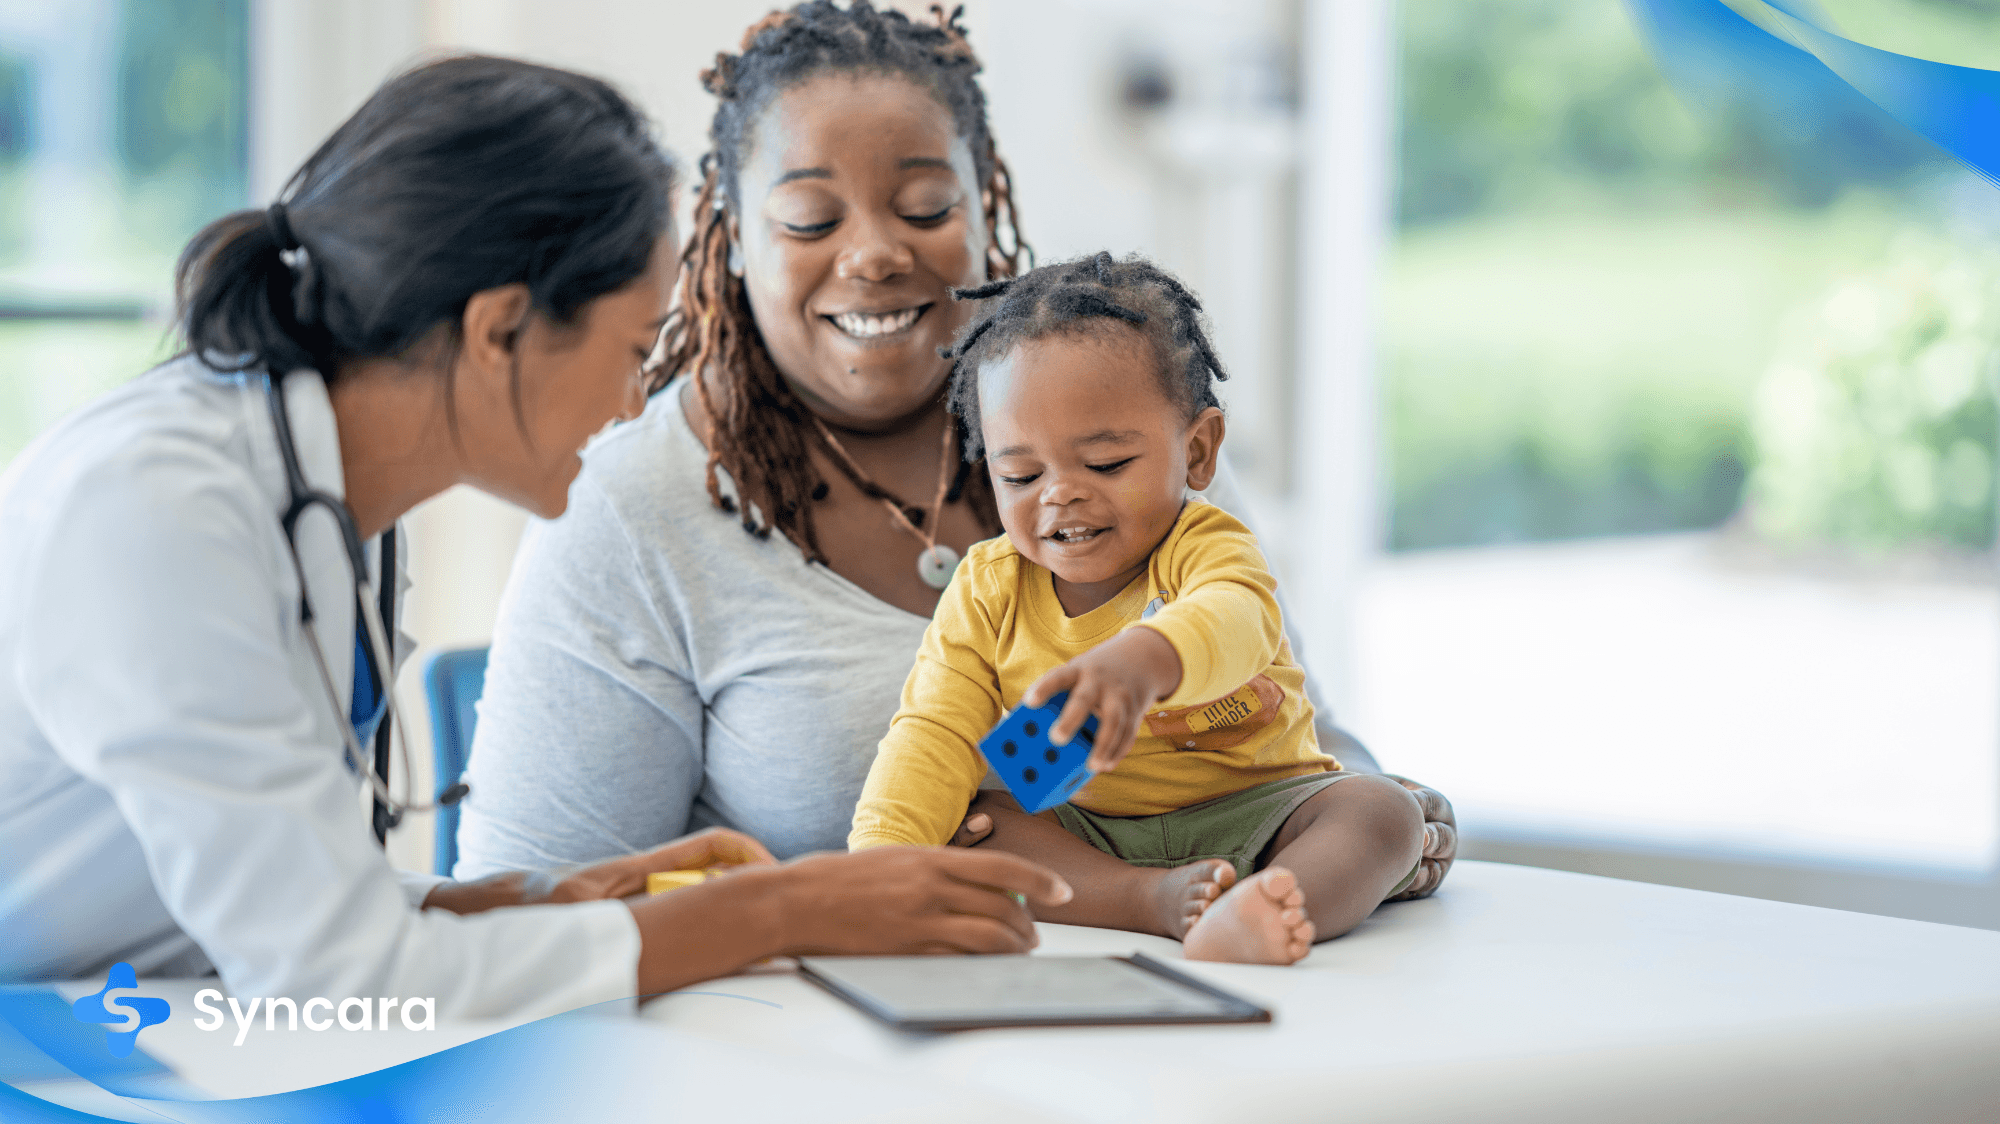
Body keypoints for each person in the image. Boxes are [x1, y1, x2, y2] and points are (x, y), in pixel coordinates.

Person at [0, 55, 1066, 1015]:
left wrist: (526, 901)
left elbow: (276, 906)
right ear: (499, 328)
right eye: (634, 345)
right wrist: (784, 907)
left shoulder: (329, 507)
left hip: (127, 1020)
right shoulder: (152, 511)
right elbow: (337, 978)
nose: (636, 393)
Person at [456, 2, 1455, 898]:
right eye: (808, 217)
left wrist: (1376, 809)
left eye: (926, 208)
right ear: (728, 238)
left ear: (988, 208)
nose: (875, 252)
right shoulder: (631, 510)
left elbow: (1288, 717)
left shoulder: (1127, 427)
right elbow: (533, 910)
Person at [849, 253, 1423, 965]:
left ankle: (1271, 902)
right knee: (977, 824)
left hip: (1263, 813)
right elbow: (931, 734)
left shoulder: (1206, 544)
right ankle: (1149, 902)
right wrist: (875, 870)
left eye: (1106, 464)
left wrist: (1147, 659)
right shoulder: (988, 590)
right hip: (1097, 839)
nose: (1059, 494)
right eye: (1022, 474)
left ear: (1199, 452)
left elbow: (1238, 619)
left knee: (1382, 813)